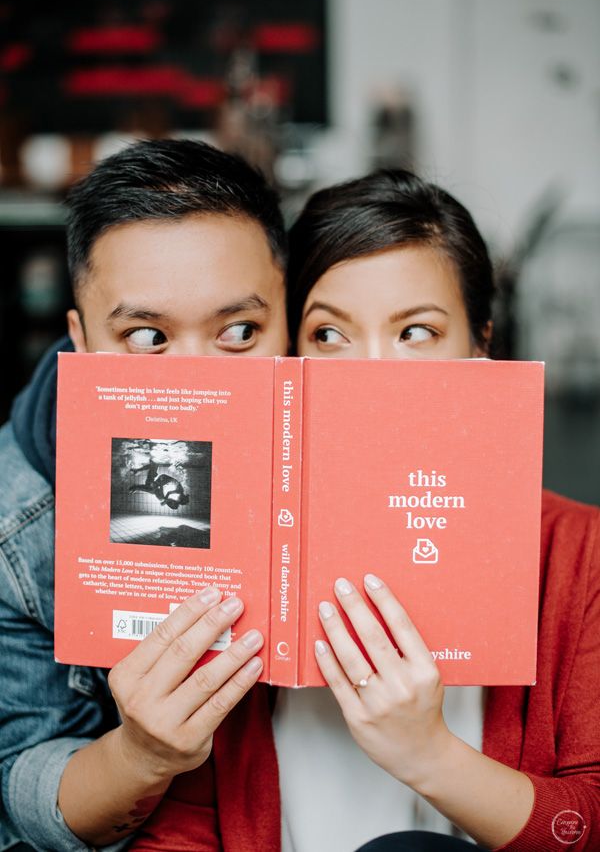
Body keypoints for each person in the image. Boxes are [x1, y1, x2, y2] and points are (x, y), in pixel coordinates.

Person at [132, 170, 600, 851]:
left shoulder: (578, 552)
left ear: (480, 347)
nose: (373, 372)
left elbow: (585, 823)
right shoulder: (243, 549)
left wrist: (431, 754)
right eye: (328, 335)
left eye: (416, 331)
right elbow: (177, 831)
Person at [0, 138, 289, 851]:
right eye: (147, 336)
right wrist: (140, 755)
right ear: (81, 341)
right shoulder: (18, 521)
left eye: (241, 331)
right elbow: (18, 781)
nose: (198, 381)